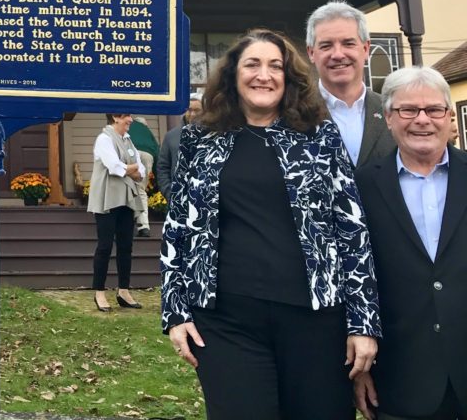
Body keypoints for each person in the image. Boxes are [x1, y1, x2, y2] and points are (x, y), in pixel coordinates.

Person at [162, 29, 380, 419]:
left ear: (289, 78)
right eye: (253, 64)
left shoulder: (319, 137)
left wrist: (363, 322)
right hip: (227, 322)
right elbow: (179, 228)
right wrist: (175, 313)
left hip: (316, 322)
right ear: (232, 75)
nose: (264, 75)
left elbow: (352, 230)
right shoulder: (199, 140)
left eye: (275, 66)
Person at [353, 66, 467, 420]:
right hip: (400, 379)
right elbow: (354, 277)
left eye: (434, 110)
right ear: (388, 117)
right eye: (408, 110)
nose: (422, 120)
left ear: (450, 118)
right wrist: (361, 369)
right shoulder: (360, 187)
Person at [306, 0, 396, 167]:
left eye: (348, 43)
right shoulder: (293, 113)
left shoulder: (394, 111)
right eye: (326, 46)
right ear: (311, 53)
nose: (338, 54)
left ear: (366, 48)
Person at [89, 112, 146, 311]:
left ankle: (123, 291)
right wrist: (132, 168)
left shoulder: (128, 140)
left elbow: (142, 170)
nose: (130, 120)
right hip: (106, 199)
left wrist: (130, 168)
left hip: (126, 199)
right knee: (104, 246)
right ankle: (99, 293)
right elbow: (114, 168)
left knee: (125, 247)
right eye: (127, 116)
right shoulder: (104, 139)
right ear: (115, 117)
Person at [155, 91, 203, 201]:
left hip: (205, 202)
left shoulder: (212, 136)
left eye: (197, 110)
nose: (192, 114)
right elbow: (163, 168)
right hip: (178, 201)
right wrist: (170, 193)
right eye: (189, 110)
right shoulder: (171, 136)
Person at [128, 117, 159, 237]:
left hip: (130, 152)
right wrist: (157, 177)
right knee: (140, 190)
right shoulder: (147, 130)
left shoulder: (126, 123)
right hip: (148, 155)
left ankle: (124, 224)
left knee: (126, 189)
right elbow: (157, 151)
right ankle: (144, 226)